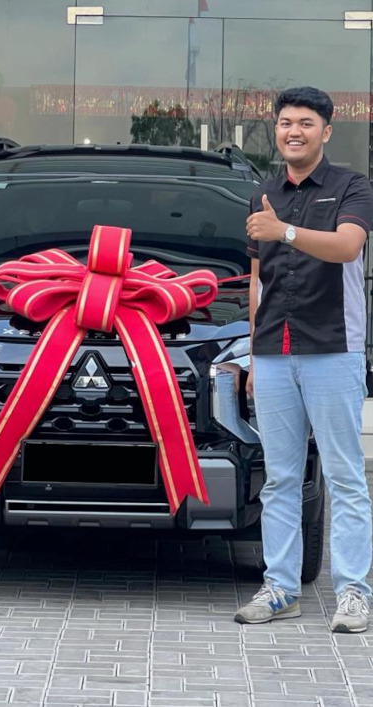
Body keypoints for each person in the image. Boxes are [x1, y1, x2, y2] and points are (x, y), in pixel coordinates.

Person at [235, 87, 373, 632]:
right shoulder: (262, 194)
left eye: (306, 123)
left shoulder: (351, 186)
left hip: (333, 348)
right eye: (286, 122)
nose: (294, 131)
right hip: (274, 352)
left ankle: (354, 593)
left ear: (326, 131)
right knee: (280, 479)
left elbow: (348, 247)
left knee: (344, 477)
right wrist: (253, 355)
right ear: (276, 130)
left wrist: (285, 231)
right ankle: (280, 589)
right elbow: (257, 281)